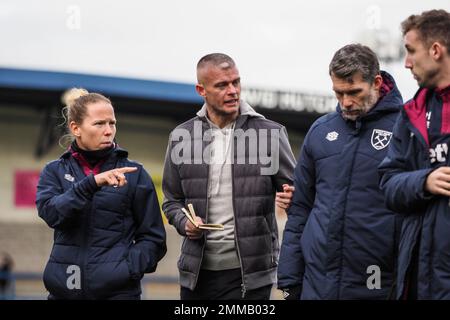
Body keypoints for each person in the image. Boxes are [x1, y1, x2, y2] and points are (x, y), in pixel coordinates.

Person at [162, 53, 296, 300]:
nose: (233, 91)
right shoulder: (181, 136)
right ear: (201, 90)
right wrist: (184, 223)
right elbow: (172, 201)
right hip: (195, 275)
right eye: (222, 85)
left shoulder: (271, 135)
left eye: (236, 82)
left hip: (250, 275)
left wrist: (293, 198)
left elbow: (297, 198)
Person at [278, 44, 404, 299]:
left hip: (377, 280)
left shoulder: (405, 129)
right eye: (339, 93)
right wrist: (290, 276)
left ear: (376, 82)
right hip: (317, 281)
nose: (346, 102)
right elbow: (301, 208)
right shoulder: (320, 131)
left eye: (354, 92)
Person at [36, 88, 167, 300]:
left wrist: (126, 270)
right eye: (99, 124)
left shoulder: (135, 174)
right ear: (75, 128)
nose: (108, 130)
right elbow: (51, 214)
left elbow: (153, 238)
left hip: (119, 294)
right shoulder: (54, 171)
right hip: (62, 292)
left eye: (112, 123)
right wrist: (91, 184)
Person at [379, 9, 450, 300]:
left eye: (411, 51)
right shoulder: (411, 114)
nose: (406, 63)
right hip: (417, 278)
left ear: (435, 50)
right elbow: (388, 184)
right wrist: (424, 182)